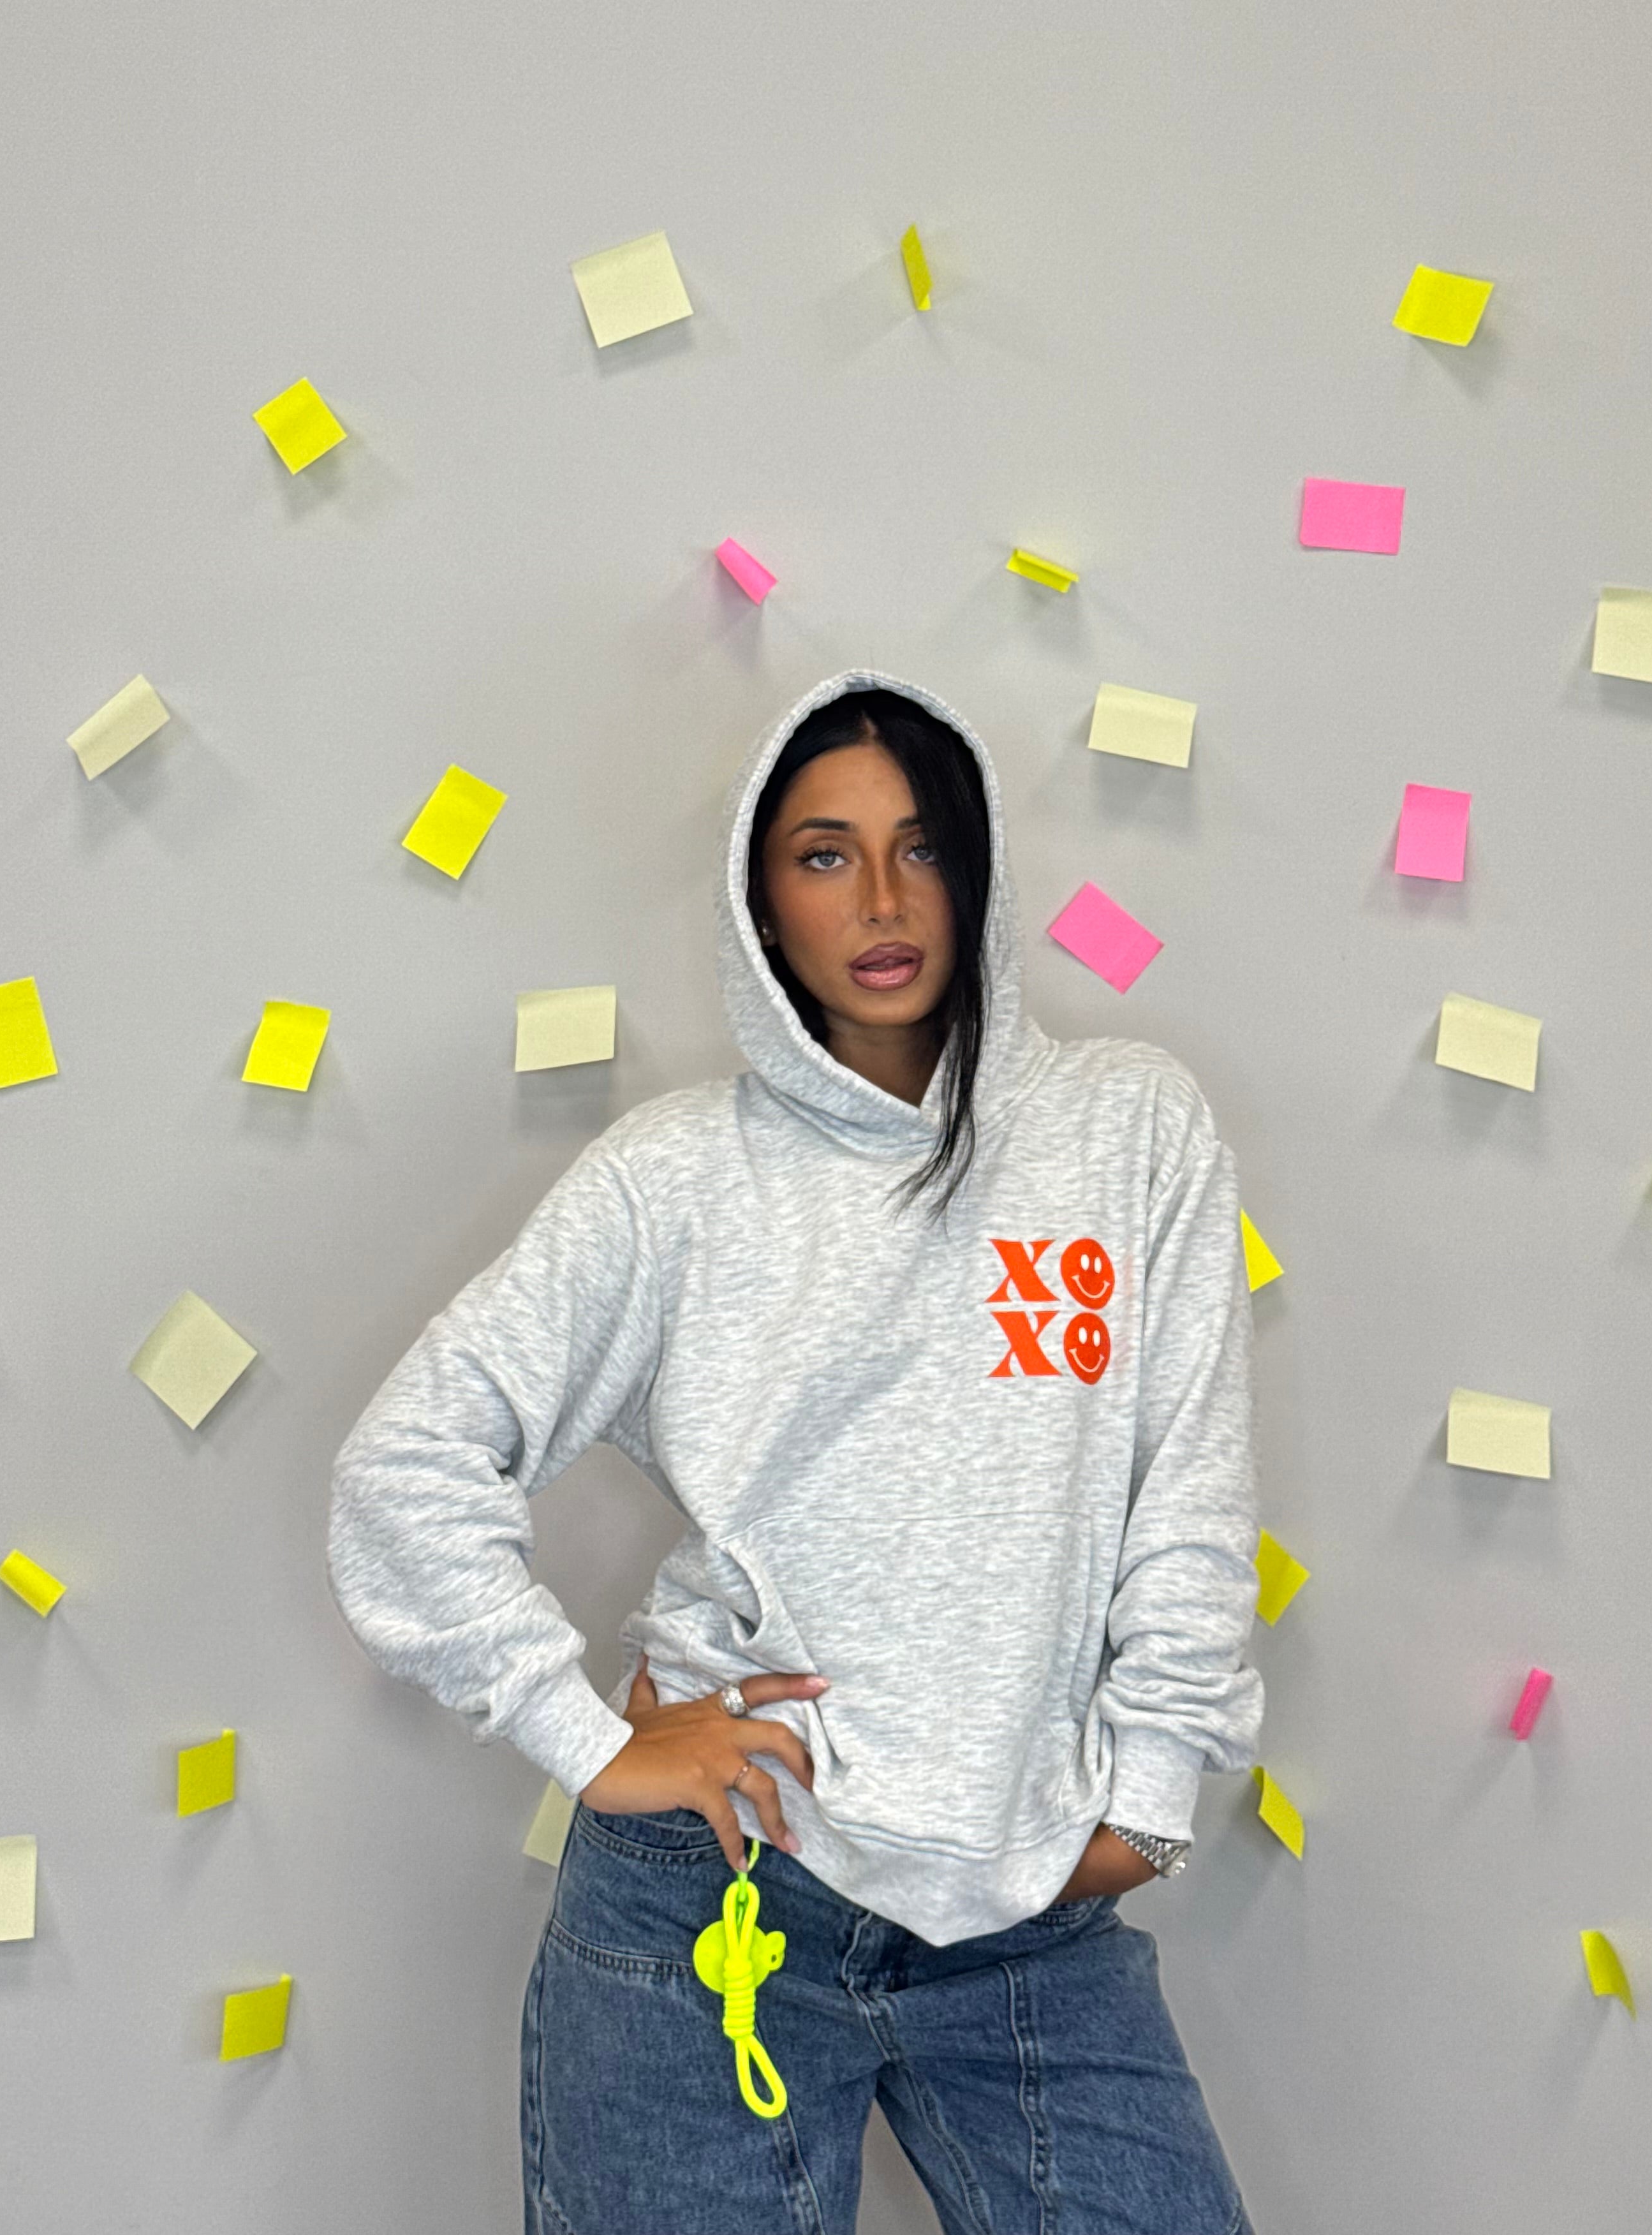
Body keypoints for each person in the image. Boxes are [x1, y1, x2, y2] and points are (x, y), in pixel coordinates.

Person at [328, 667, 1263, 2234]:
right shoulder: (678, 1177)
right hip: (720, 1903)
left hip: (1034, 1907)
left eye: (923, 847)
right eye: (826, 855)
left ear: (979, 871)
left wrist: (1151, 1798)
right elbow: (408, 1464)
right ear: (762, 902)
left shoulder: (1127, 1129)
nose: (883, 900)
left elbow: (1189, 1489)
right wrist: (590, 1741)